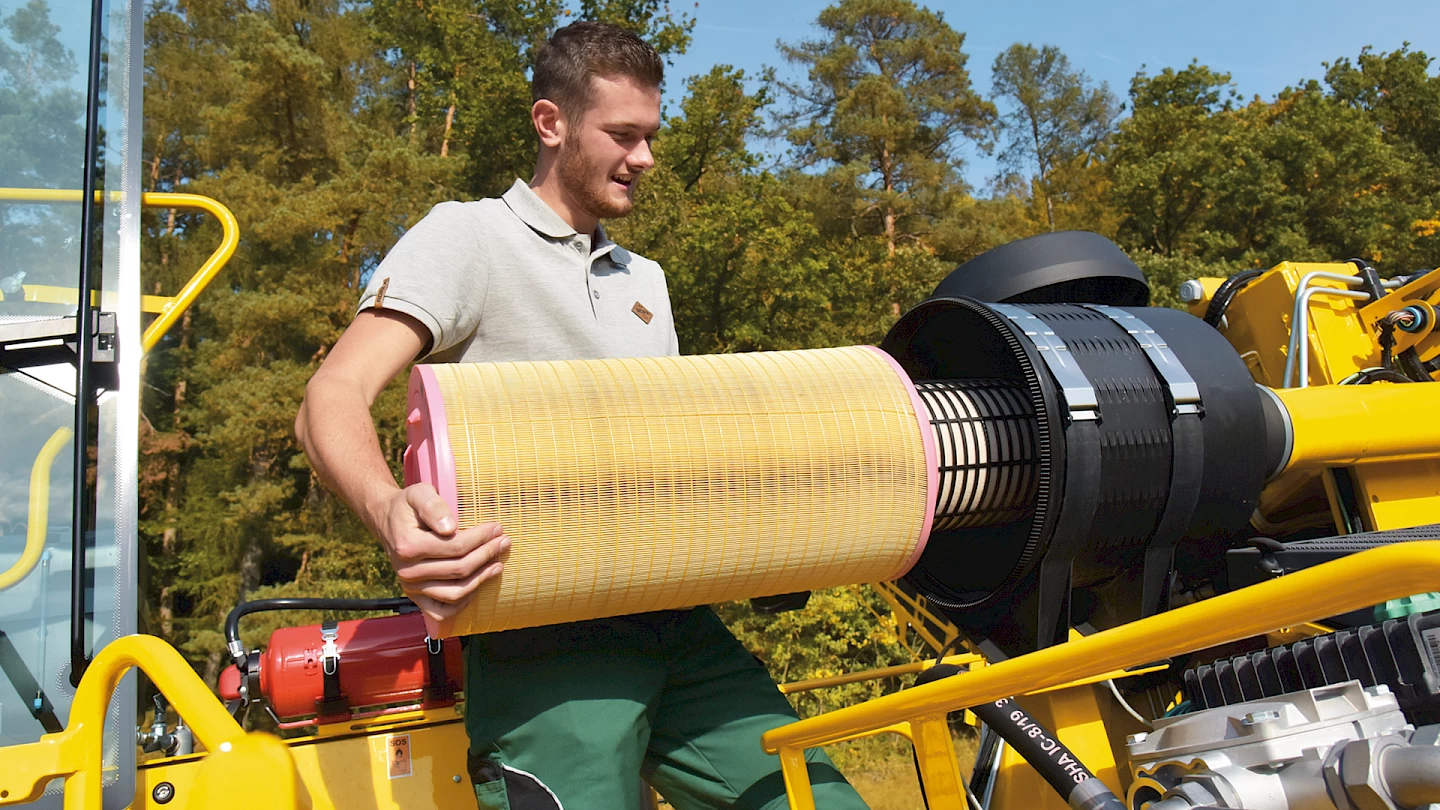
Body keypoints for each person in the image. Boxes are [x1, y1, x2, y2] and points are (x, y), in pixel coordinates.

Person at [296, 21, 871, 810]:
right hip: (543, 648)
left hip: (680, 627)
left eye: (652, 136)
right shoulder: (467, 237)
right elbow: (329, 397)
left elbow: (670, 466)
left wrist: (767, 547)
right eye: (624, 135)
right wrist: (388, 507)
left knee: (823, 801)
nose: (646, 158)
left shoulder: (649, 282)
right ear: (550, 123)